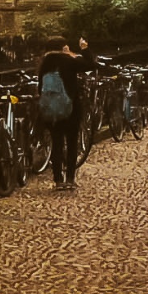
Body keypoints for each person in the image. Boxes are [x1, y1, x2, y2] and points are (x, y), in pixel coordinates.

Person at [38, 37, 90, 190]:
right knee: (72, 142)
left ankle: (58, 179)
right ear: (63, 47)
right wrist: (84, 49)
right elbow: (90, 65)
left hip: (51, 109)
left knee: (57, 142)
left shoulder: (44, 64)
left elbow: (40, 87)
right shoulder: (68, 61)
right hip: (70, 107)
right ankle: (70, 178)